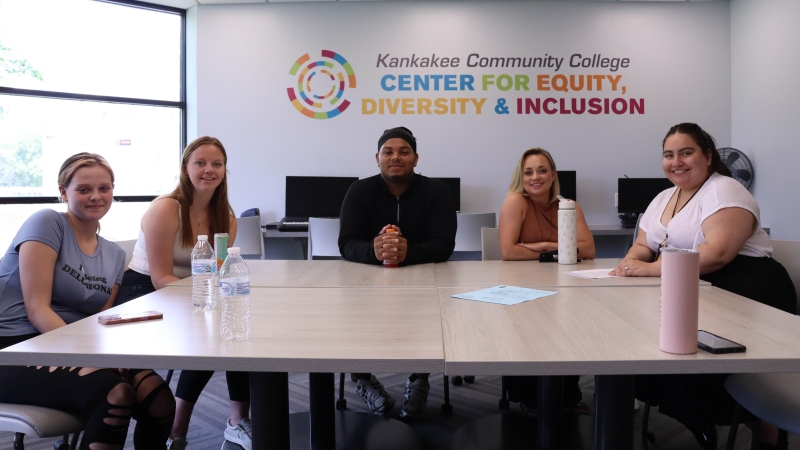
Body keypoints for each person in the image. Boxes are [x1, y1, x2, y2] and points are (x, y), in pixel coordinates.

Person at [610, 123, 797, 450]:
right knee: (647, 331)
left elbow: (719, 254)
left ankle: (760, 424)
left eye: (686, 152)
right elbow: (643, 243)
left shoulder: (724, 189)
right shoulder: (663, 197)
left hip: (746, 287)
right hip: (692, 281)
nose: (676, 161)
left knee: (686, 345)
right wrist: (630, 264)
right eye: (669, 155)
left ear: (708, 156)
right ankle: (694, 416)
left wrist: (652, 269)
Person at [0, 153, 175, 449]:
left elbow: (100, 322)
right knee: (115, 394)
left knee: (157, 397)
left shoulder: (116, 254)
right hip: (15, 348)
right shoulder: (47, 223)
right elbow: (37, 310)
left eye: (104, 188)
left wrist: (112, 354)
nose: (96, 196)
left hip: (70, 346)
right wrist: (92, 357)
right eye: (84, 189)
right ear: (63, 192)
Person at [116, 136, 250, 450]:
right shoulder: (166, 208)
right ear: (185, 168)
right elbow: (162, 276)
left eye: (217, 164)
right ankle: (179, 427)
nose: (209, 170)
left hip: (193, 288)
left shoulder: (227, 219)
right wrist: (205, 298)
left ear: (224, 170)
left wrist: (217, 297)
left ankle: (236, 421)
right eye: (200, 163)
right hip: (145, 286)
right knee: (205, 331)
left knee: (234, 332)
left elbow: (217, 272)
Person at [338, 126, 457, 419]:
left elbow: (445, 244)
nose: (396, 157)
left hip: (423, 280)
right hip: (368, 281)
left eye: (404, 151)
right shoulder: (359, 190)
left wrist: (409, 252)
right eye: (388, 151)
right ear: (377, 157)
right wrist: (374, 251)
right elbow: (346, 242)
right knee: (352, 314)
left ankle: (419, 378)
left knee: (431, 317)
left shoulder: (436, 191)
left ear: (416, 158)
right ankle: (362, 378)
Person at [497, 147, 595, 415]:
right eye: (528, 172)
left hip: (564, 285)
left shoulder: (569, 205)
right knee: (530, 334)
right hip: (522, 285)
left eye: (542, 170)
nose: (535, 177)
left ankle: (568, 397)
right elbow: (509, 252)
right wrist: (562, 247)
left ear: (553, 175)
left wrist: (544, 244)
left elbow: (588, 250)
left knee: (569, 328)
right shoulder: (515, 202)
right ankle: (531, 399)